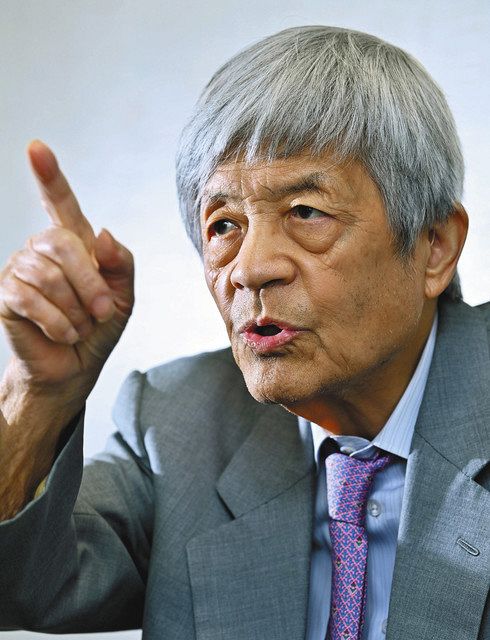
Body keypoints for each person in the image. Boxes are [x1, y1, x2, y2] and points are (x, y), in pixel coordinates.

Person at [0, 25, 488, 640]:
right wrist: (36, 397)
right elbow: (22, 585)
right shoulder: (177, 421)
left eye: (306, 212)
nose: (251, 269)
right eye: (224, 225)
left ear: (434, 245)